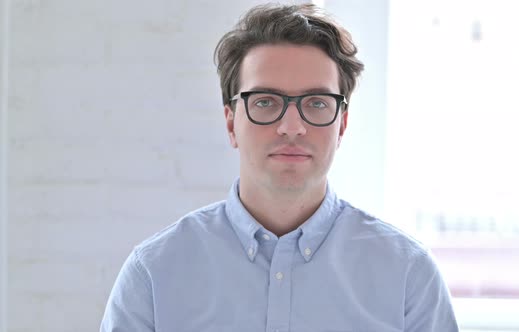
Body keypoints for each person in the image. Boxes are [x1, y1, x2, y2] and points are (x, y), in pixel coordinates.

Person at [100, 3, 458, 332]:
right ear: (231, 123)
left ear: (342, 126)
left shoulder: (408, 274)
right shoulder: (154, 273)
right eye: (266, 101)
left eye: (317, 103)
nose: (291, 126)